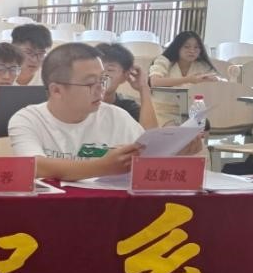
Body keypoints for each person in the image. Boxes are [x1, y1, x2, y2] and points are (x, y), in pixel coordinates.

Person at [9, 43, 152, 181]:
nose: (101, 89)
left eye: (102, 80)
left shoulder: (118, 117)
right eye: (90, 83)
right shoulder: (28, 119)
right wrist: (103, 166)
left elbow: (150, 157)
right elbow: (35, 166)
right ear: (56, 90)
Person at [149, 31, 219, 126]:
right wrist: (188, 79)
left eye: (196, 47)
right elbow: (155, 81)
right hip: (162, 111)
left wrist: (213, 80)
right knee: (175, 131)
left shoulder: (202, 65)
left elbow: (216, 82)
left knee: (203, 128)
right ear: (177, 47)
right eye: (187, 47)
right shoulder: (164, 60)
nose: (192, 51)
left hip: (192, 112)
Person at [97, 43, 159, 129]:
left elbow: (149, 133)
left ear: (125, 76)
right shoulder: (80, 103)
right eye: (97, 68)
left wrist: (144, 88)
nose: (102, 74)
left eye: (110, 70)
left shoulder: (128, 108)